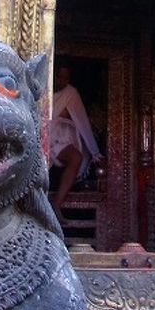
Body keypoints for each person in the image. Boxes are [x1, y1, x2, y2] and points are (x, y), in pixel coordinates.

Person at [49, 63, 103, 222]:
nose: (62, 81)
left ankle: (57, 204)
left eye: (66, 78)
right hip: (42, 136)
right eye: (59, 77)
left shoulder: (71, 93)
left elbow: (82, 121)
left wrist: (95, 153)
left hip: (61, 138)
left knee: (76, 158)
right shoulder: (43, 89)